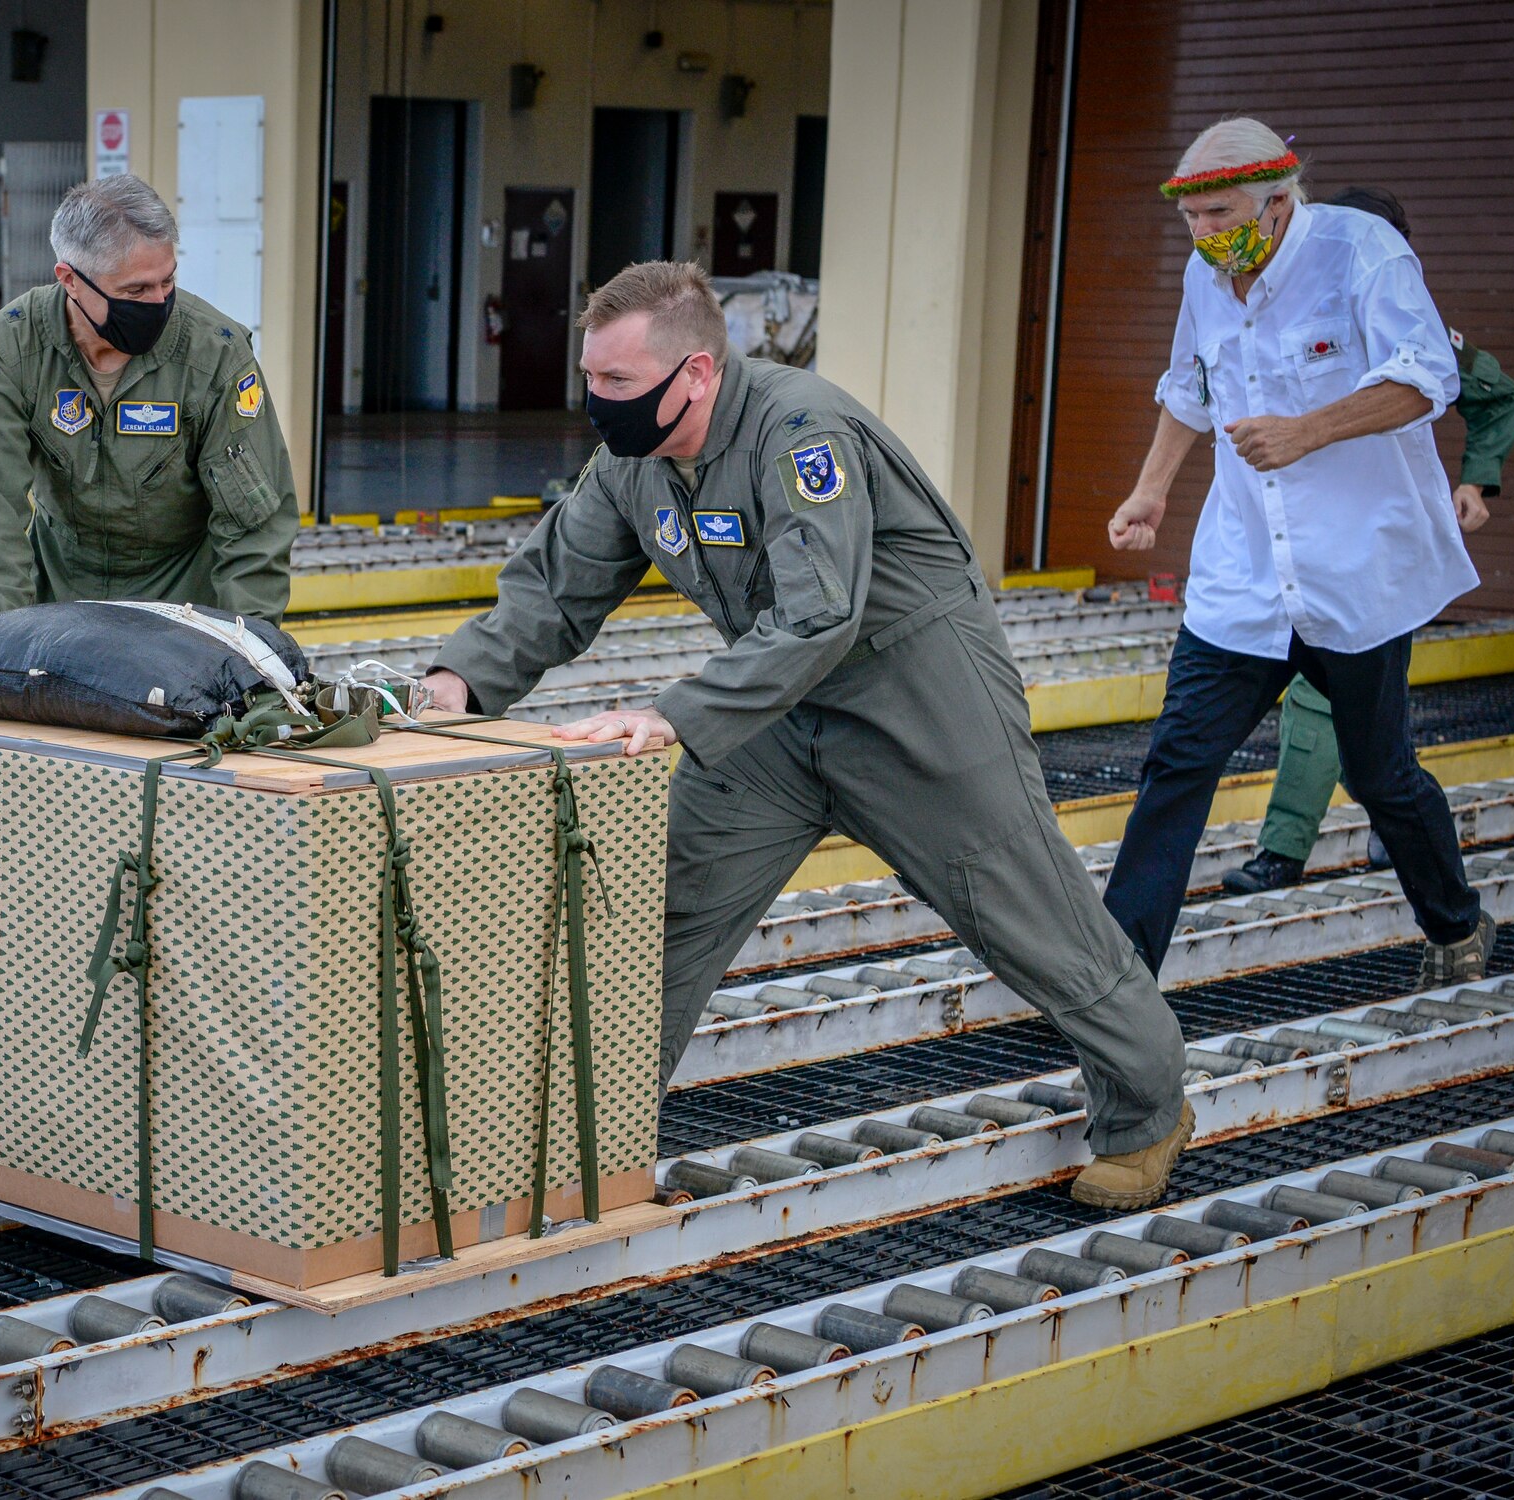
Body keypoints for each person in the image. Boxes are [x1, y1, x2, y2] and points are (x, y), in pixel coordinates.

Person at [425, 260, 1192, 1210]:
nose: (596, 401)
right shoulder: (633, 458)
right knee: (661, 904)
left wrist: (672, 716)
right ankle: (595, 1147)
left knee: (1024, 915)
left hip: (915, 696)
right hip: (773, 711)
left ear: (696, 373)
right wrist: (458, 681)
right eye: (591, 377)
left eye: (617, 382)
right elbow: (555, 582)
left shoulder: (800, 432)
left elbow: (821, 617)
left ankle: (1147, 1107)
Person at [1103, 119, 1493, 988]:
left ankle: (1456, 922)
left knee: (1378, 774)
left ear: (1279, 203)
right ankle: (1118, 980)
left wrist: (1307, 431)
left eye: (1220, 215)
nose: (1205, 235)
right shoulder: (1208, 277)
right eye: (1191, 220)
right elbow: (1190, 387)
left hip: (1355, 574)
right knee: (1179, 759)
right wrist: (1153, 489)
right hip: (1244, 576)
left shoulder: (1363, 253)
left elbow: (1429, 377)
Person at [1224, 186, 1514, 894]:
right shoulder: (1279, 315)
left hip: (1379, 551)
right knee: (1324, 703)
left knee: (1357, 708)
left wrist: (1476, 482)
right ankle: (1297, 846)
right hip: (1301, 550)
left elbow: (1494, 393)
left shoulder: (1422, 332)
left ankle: (1376, 835)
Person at [0, 175, 300, 623]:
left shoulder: (215, 354)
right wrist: (1, 646)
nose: (158, 302)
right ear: (70, 280)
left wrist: (245, 649)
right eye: (135, 291)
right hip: (60, 599)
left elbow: (255, 528)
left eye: (167, 282)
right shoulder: (7, 356)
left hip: (187, 604)